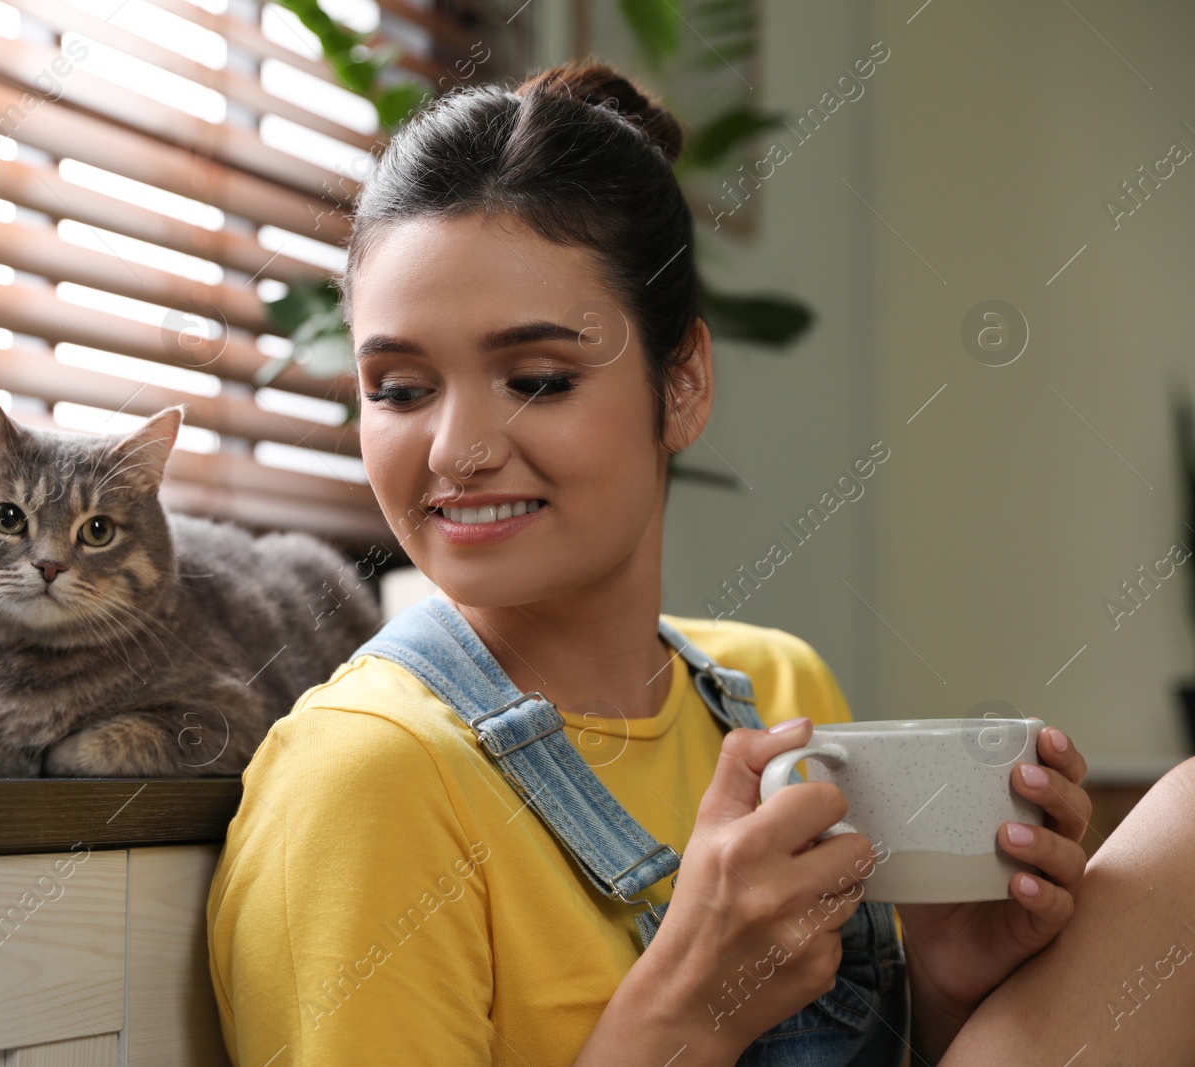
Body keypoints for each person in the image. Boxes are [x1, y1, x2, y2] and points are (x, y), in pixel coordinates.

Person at [205, 60, 1195, 1065]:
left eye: (537, 379)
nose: (456, 448)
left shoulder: (776, 691)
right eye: (400, 388)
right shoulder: (366, 781)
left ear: (681, 386)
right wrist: (685, 1013)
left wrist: (948, 983)